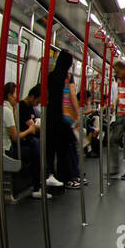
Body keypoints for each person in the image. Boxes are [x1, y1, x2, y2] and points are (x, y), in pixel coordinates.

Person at [0, 81, 45, 196]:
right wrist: (30, 131)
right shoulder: (6, 111)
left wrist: (15, 108)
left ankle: (38, 184)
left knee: (35, 145)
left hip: (7, 147)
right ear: (9, 96)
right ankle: (37, 186)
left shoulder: (8, 109)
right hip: (6, 151)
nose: (17, 97)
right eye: (15, 94)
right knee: (35, 147)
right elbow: (15, 138)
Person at [45, 50, 82, 189]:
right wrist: (78, 115)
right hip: (63, 117)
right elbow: (72, 95)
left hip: (50, 116)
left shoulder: (50, 76)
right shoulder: (68, 76)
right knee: (64, 149)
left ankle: (50, 175)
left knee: (50, 149)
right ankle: (66, 177)